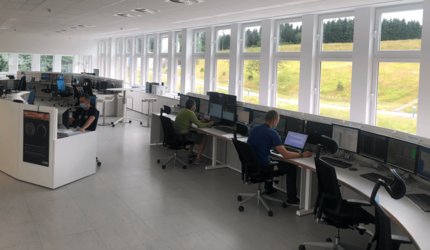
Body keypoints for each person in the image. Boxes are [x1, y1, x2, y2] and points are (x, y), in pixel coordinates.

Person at [247, 109, 312, 205]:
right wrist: (302, 154)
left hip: (252, 165)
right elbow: (286, 155)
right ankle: (292, 200)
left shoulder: (255, 128)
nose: (277, 123)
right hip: (263, 167)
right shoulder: (273, 133)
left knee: (270, 159)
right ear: (274, 121)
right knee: (291, 168)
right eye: (277, 121)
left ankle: (269, 189)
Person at [174, 99, 214, 165]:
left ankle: (190, 154)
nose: (195, 107)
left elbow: (196, 123)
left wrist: (200, 121)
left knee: (194, 133)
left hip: (177, 134)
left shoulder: (183, 110)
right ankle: (198, 159)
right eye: (195, 105)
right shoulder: (190, 113)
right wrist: (210, 123)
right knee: (204, 137)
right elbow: (199, 125)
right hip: (184, 136)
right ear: (192, 106)